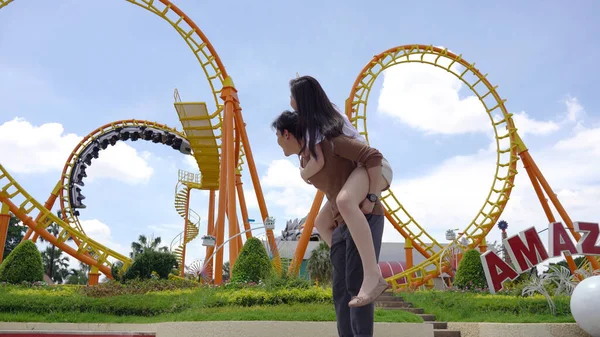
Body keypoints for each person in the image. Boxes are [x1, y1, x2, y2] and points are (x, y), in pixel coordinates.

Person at [272, 110, 386, 337]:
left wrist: (372, 197)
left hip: (363, 218)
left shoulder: (329, 143)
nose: (277, 143)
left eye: (277, 136)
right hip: (340, 227)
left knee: (356, 285)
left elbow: (373, 156)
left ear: (286, 133)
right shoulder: (307, 159)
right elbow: (332, 187)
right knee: (341, 292)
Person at [288, 75, 392, 308]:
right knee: (321, 221)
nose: (290, 101)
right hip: (358, 172)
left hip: (374, 168)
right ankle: (346, 260)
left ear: (302, 99)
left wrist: (372, 196)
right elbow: (316, 160)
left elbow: (370, 156)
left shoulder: (328, 125)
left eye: (292, 96)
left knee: (345, 201)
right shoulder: (313, 126)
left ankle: (372, 274)